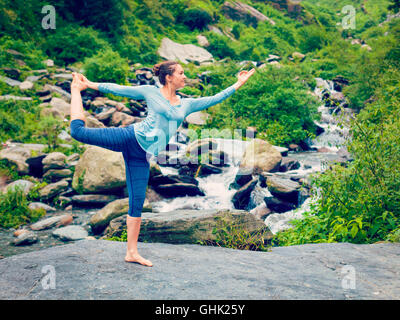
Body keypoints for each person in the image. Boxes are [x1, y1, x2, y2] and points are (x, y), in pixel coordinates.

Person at [69, 60, 255, 267]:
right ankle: (75, 90)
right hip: (128, 137)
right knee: (78, 132)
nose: (185, 77)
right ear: (169, 77)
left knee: (137, 203)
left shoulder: (186, 104)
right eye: (181, 73)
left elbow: (214, 98)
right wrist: (89, 84)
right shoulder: (150, 92)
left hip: (142, 156)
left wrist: (238, 83)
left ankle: (132, 252)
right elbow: (119, 89)